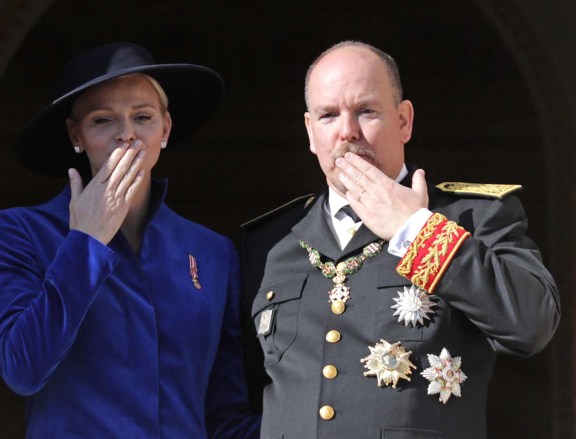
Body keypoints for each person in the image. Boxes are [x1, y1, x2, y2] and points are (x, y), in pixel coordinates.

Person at [240, 40, 560, 438]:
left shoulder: (468, 217)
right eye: (328, 116)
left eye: (366, 111)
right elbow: (238, 394)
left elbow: (532, 324)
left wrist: (417, 230)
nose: (347, 132)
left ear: (404, 120)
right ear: (309, 131)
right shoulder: (271, 242)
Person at [0, 42, 259, 438]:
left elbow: (223, 416)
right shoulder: (21, 232)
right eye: (102, 120)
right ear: (75, 134)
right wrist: (86, 241)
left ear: (165, 129)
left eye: (142, 117)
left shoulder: (211, 252)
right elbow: (22, 369)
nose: (126, 134)